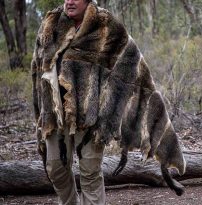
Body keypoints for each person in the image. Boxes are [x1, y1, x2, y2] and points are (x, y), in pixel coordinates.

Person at [31, 0, 139, 204]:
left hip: (92, 115)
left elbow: (129, 63)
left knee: (90, 171)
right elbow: (37, 70)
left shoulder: (105, 24)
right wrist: (40, 112)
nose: (70, 1)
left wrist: (110, 109)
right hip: (55, 113)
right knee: (55, 168)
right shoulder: (51, 24)